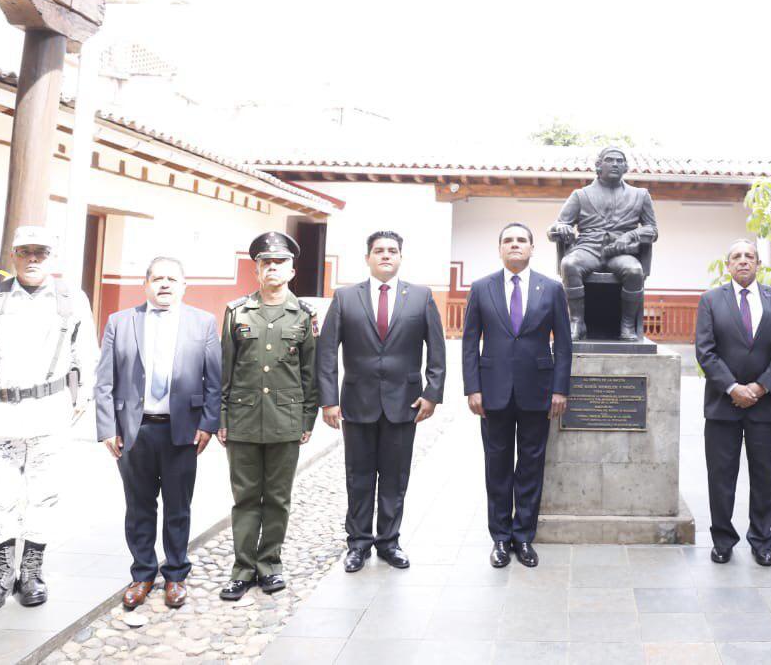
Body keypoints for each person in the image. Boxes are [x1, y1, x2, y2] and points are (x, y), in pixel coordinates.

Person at [0, 226, 97, 613]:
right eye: (25, 252)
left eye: (41, 252)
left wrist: (83, 396)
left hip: (47, 411)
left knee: (43, 496)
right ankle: (1, 574)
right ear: (13, 256)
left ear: (53, 257)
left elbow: (86, 353)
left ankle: (32, 571)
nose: (33, 258)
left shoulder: (71, 300)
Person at [94, 257, 221, 609]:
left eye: (172, 279)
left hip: (182, 431)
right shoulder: (121, 322)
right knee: (139, 506)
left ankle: (176, 574)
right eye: (158, 278)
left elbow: (215, 380)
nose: (164, 284)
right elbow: (104, 379)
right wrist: (107, 427)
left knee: (178, 506)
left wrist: (208, 424)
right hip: (135, 429)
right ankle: (143, 573)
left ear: (184, 285)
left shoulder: (203, 323)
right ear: (145, 283)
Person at [318, 230, 445, 573]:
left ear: (400, 257)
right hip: (357, 402)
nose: (385, 255)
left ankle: (389, 541)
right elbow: (327, 351)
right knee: (358, 476)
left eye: (392, 250)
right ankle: (358, 543)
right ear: (368, 258)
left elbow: (436, 348)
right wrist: (329, 400)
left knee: (394, 476)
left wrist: (433, 393)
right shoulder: (345, 298)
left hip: (404, 402)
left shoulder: (421, 297)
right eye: (378, 250)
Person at [462, 223, 571, 568]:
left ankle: (523, 536)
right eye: (508, 240)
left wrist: (559, 389)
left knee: (530, 465)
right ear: (499, 249)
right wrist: (472, 387)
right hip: (492, 392)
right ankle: (499, 537)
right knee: (496, 466)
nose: (514, 245)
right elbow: (469, 342)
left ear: (531, 248)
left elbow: (564, 346)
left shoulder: (552, 289)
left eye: (521, 240)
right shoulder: (481, 289)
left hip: (537, 392)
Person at [218, 232, 318, 601]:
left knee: (277, 498)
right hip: (242, 419)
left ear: (292, 270)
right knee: (245, 497)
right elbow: (223, 369)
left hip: (285, 420)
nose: (272, 268)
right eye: (265, 262)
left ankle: (270, 563)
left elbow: (309, 372)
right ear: (256, 268)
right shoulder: (236, 312)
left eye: (279, 263)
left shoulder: (304, 315)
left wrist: (306, 420)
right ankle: (242, 568)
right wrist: (221, 418)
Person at [695, 239, 771, 566]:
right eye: (736, 256)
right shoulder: (711, 300)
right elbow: (705, 351)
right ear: (727, 265)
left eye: (749, 256)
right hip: (723, 405)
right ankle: (723, 540)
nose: (742, 261)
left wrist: (761, 387)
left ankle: (762, 540)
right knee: (721, 476)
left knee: (763, 477)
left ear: (758, 264)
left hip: (765, 406)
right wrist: (733, 388)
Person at [548, 145, 658, 340]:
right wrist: (561, 228)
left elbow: (652, 230)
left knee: (634, 271)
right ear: (599, 166)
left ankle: (627, 326)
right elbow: (556, 227)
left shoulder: (640, 195)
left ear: (626, 167)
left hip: (620, 252)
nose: (615, 164)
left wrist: (630, 235)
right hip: (588, 249)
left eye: (620, 161)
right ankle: (577, 322)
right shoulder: (580, 195)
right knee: (569, 264)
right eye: (610, 160)